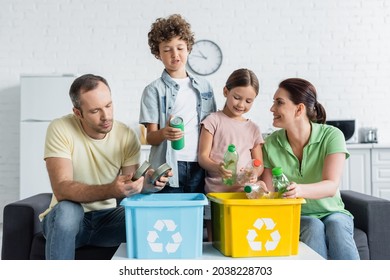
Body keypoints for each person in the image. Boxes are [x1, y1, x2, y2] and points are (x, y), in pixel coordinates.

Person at [39, 74, 171, 260]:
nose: (106, 116)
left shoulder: (126, 135)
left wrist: (148, 183)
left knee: (149, 218)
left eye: (108, 106)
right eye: (95, 111)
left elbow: (130, 185)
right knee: (69, 209)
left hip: (107, 220)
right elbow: (62, 189)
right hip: (68, 222)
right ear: (78, 113)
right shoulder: (61, 128)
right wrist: (111, 189)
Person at [260, 78, 360, 260]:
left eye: (279, 102)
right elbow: (268, 193)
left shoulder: (331, 136)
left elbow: (331, 186)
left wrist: (299, 190)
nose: (272, 109)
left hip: (333, 211)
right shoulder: (270, 143)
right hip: (296, 215)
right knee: (313, 226)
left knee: (336, 224)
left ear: (299, 109)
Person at [139, 14, 216, 193]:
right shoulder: (153, 90)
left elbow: (213, 128)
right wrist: (164, 133)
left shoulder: (205, 87)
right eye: (167, 50)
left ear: (188, 48)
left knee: (198, 217)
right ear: (158, 54)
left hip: (200, 165)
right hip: (168, 167)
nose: (175, 54)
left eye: (180, 48)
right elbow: (150, 137)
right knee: (170, 217)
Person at [198, 68, 265, 240]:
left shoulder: (253, 129)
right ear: (225, 91)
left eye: (249, 101)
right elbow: (203, 158)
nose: (241, 105)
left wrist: (254, 174)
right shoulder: (213, 121)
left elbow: (259, 164)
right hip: (217, 194)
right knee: (217, 242)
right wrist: (217, 167)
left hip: (244, 194)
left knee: (243, 239)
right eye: (237, 97)